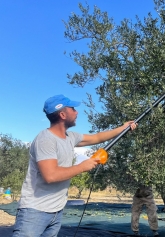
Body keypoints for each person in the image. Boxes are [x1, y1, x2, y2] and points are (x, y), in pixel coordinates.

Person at [12, 94, 138, 237]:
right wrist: (83, 166)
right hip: (34, 212)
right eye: (73, 109)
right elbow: (50, 175)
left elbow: (97, 137)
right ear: (62, 114)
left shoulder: (70, 137)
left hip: (56, 211)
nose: (77, 112)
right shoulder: (45, 140)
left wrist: (123, 127)